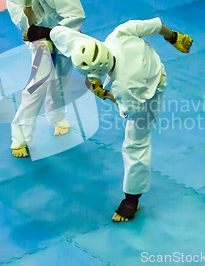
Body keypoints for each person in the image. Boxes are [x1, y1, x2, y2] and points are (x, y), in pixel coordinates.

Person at [24, 17, 193, 221]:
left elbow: (129, 109)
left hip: (152, 89)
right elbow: (155, 26)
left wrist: (103, 93)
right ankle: (40, 31)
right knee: (76, 42)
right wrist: (173, 37)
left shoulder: (124, 88)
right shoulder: (117, 35)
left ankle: (132, 199)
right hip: (136, 61)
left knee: (136, 140)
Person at [0, 0, 86, 158]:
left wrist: (54, 35)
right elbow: (27, 25)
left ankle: (57, 116)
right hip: (38, 39)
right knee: (38, 84)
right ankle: (19, 137)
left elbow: (75, 13)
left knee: (61, 80)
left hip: (65, 32)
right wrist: (28, 4)